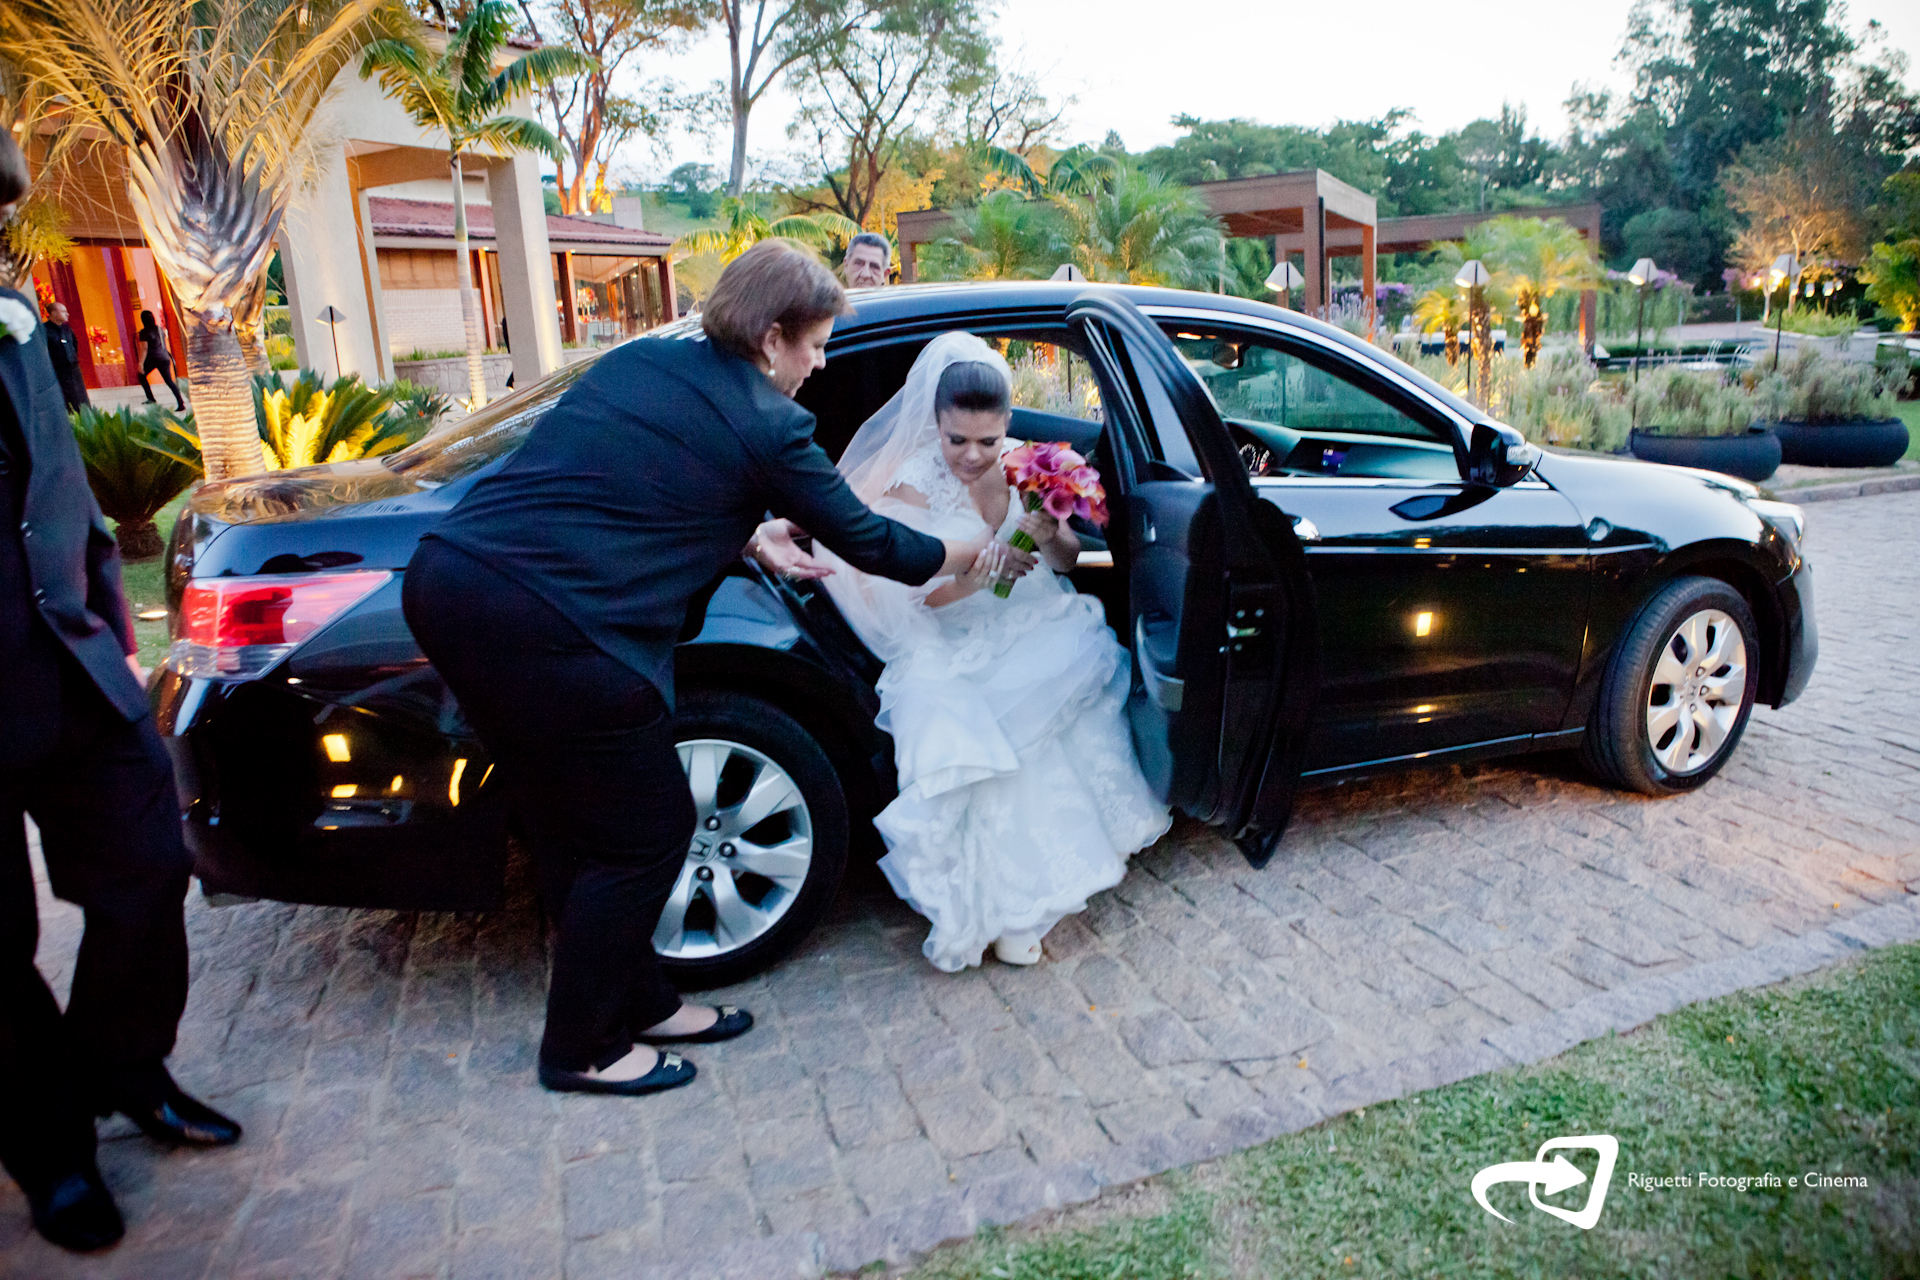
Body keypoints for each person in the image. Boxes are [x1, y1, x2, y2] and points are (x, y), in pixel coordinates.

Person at [400, 242, 1021, 1097]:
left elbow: (640, 487)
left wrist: (748, 534)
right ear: (771, 339)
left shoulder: (647, 363)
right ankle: (581, 1048)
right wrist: (974, 546)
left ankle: (644, 1001)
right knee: (647, 833)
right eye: (815, 346)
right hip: (550, 624)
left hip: (451, 586)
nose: (821, 363)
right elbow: (881, 546)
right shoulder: (770, 424)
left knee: (573, 824)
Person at [0, 131, 240, 1257]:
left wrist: (108, 621)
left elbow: (65, 504)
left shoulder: (17, 327)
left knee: (149, 871)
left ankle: (125, 1067)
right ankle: (51, 1153)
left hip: (76, 674)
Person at [784, 332, 1170, 970]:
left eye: (987, 441)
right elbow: (910, 598)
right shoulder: (911, 484)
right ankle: (1004, 910)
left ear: (1008, 423)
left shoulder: (1031, 465)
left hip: (1037, 617)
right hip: (954, 634)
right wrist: (977, 579)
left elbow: (1066, 560)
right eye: (955, 439)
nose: (970, 455)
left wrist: (1048, 531)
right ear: (935, 425)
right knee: (992, 751)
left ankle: (1040, 899)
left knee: (1064, 696)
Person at [41, 302, 89, 414]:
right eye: (63, 311)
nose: (67, 314)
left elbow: (74, 345)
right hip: (58, 372)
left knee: (81, 398)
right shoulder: (44, 330)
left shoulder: (67, 329)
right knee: (67, 400)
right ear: (53, 313)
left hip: (73, 369)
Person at [135, 309, 185, 412]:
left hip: (153, 358)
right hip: (164, 356)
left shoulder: (144, 332)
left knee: (141, 375)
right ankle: (180, 402)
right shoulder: (159, 329)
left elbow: (144, 348)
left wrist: (140, 363)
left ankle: (151, 398)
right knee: (169, 380)